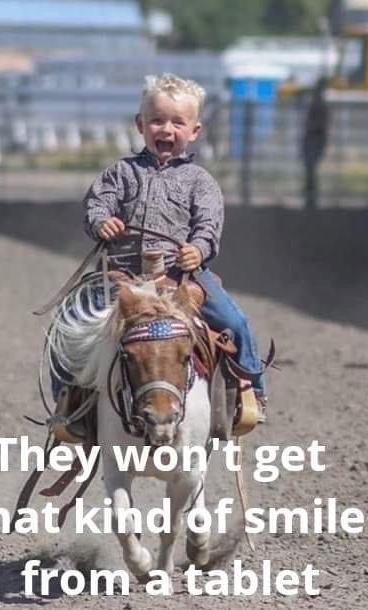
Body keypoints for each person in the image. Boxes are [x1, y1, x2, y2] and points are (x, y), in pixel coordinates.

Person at [78, 73, 267, 421]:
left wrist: (198, 249)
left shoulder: (201, 182)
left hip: (183, 278)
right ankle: (69, 401)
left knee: (234, 322)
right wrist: (101, 222)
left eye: (178, 122)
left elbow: (208, 226)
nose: (166, 129)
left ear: (194, 131)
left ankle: (250, 391)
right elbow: (97, 205)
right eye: (157, 120)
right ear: (141, 125)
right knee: (75, 323)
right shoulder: (120, 173)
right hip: (123, 277)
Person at [302, 76, 329, 209]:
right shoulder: (317, 103)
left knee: (311, 171)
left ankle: (311, 199)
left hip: (315, 139)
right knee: (310, 171)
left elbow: (320, 124)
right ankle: (310, 198)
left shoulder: (320, 104)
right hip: (312, 139)